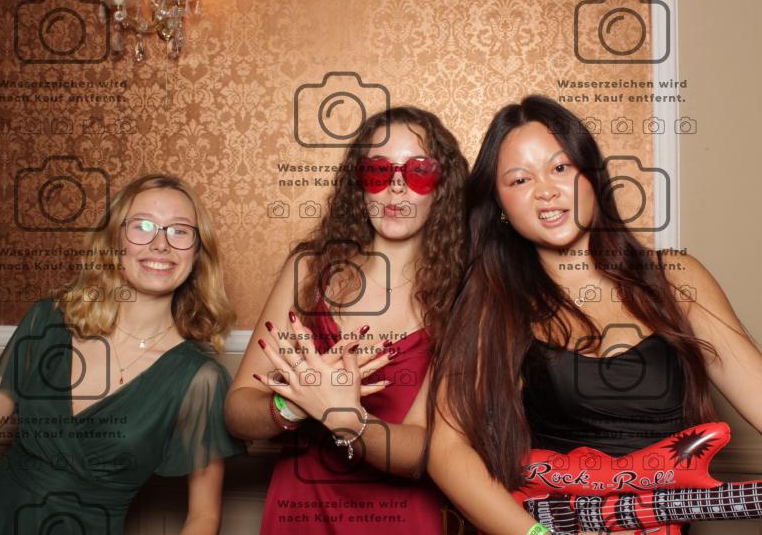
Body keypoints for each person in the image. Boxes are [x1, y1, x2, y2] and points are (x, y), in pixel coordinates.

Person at [426, 95, 762, 535]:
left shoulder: (675, 278)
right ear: (500, 207)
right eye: (520, 179)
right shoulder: (493, 303)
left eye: (560, 167)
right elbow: (446, 450)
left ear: (591, 175)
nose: (546, 190)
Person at [0, 174, 245, 534]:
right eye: (142, 226)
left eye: (179, 231)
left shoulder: (200, 380)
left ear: (197, 252)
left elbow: (203, 516)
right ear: (113, 241)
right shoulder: (47, 322)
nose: (160, 244)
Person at [225, 106, 470, 534]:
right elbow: (237, 410)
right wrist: (293, 403)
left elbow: (423, 452)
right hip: (300, 511)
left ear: (442, 186)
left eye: (418, 172)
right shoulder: (308, 271)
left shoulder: (462, 295)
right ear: (359, 183)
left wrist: (344, 415)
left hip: (401, 520)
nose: (396, 187)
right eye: (378, 171)